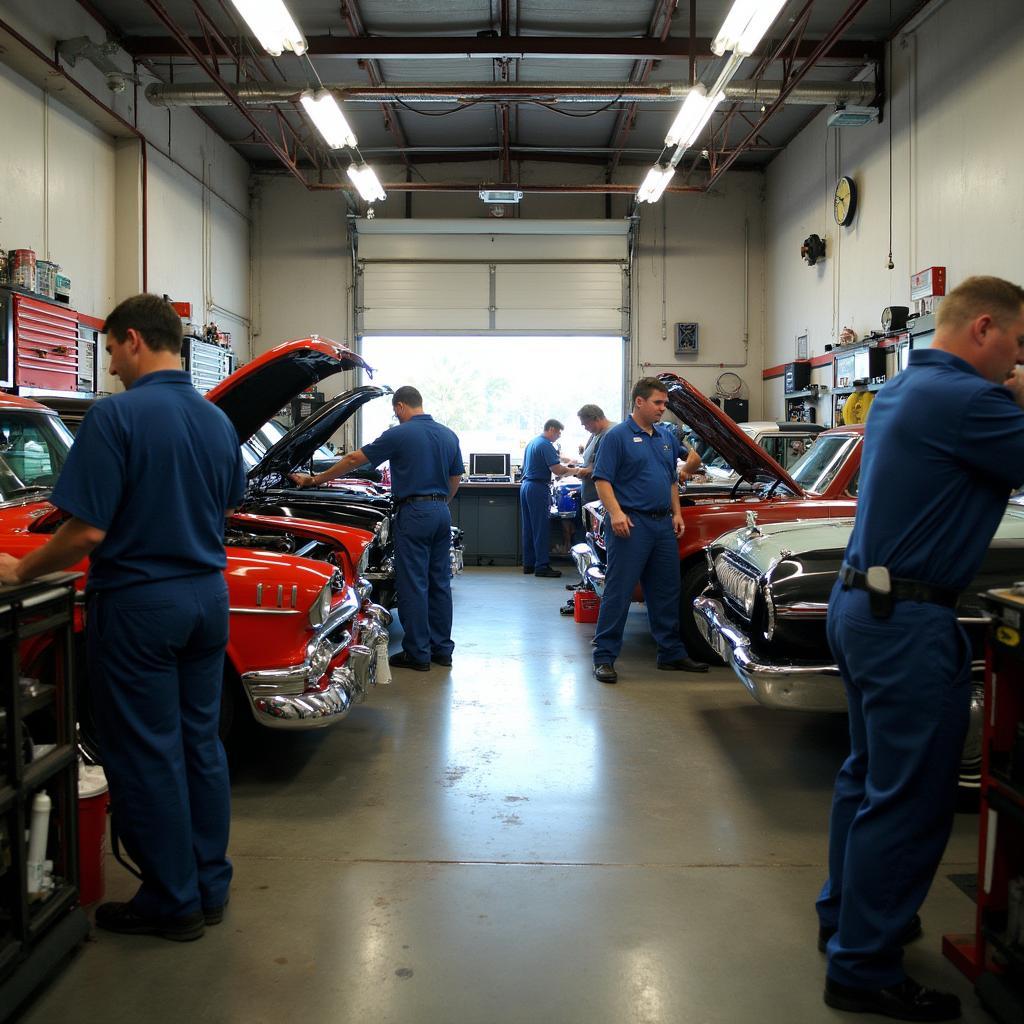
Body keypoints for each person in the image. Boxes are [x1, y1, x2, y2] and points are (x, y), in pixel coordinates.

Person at [0, 294, 245, 942]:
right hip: (206, 598)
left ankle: (171, 901)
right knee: (200, 745)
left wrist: (21, 571)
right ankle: (209, 885)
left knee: (147, 753)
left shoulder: (117, 418)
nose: (108, 366)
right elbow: (228, 506)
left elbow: (86, 533)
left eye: (109, 350)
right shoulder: (217, 422)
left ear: (133, 340)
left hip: (142, 604)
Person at [818, 276, 1024, 1021]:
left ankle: (846, 917)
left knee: (867, 775)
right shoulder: (974, 402)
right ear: (984, 329)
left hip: (861, 604)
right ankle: (863, 968)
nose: (1017, 361)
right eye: (1018, 344)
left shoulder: (904, 389)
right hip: (907, 621)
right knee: (910, 798)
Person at [291, 386, 462, 672]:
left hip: (414, 512)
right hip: (441, 511)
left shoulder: (399, 434)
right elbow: (456, 476)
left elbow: (354, 459)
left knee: (414, 585)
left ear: (399, 407)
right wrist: (441, 502)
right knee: (439, 583)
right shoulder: (448, 434)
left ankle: (418, 654)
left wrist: (315, 480)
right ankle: (442, 650)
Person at [590, 378, 709, 684]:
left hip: (662, 525)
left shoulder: (665, 437)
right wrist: (615, 513)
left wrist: (677, 513)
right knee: (619, 591)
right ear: (639, 402)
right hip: (631, 524)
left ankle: (670, 653)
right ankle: (604, 656)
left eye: (665, 403)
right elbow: (602, 479)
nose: (663, 408)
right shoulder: (616, 437)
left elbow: (671, 479)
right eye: (658, 402)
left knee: (666, 590)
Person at [520, 419, 573, 578]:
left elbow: (554, 459)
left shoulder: (533, 443)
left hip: (526, 486)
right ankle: (542, 566)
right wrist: (577, 470)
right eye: (558, 433)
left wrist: (566, 461)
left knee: (529, 527)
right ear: (551, 429)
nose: (558, 436)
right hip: (537, 487)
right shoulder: (545, 444)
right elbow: (557, 470)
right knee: (541, 527)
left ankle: (529, 564)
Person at [575, 404, 613, 506]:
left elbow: (608, 466)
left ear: (595, 418)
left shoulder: (611, 434)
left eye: (585, 424)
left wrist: (587, 470)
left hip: (601, 500)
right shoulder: (596, 433)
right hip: (591, 497)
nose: (585, 428)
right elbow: (593, 459)